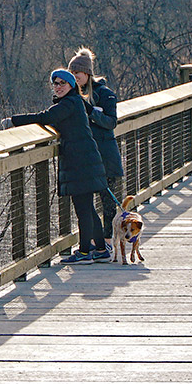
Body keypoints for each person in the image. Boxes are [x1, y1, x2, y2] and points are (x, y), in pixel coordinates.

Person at [2, 69, 110, 264]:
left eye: (63, 83)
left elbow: (44, 117)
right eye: (55, 83)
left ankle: (85, 252)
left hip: (81, 161)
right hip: (85, 159)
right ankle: (101, 249)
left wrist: (13, 121)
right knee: (88, 208)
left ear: (71, 86)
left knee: (83, 208)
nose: (58, 87)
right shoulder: (75, 102)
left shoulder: (69, 103)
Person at [68, 47, 124, 252]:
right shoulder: (69, 95)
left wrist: (91, 112)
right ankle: (94, 241)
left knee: (107, 201)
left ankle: (107, 242)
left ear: (87, 73)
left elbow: (111, 122)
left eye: (78, 73)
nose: (75, 77)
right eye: (72, 73)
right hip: (83, 158)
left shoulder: (105, 94)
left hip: (105, 156)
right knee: (85, 203)